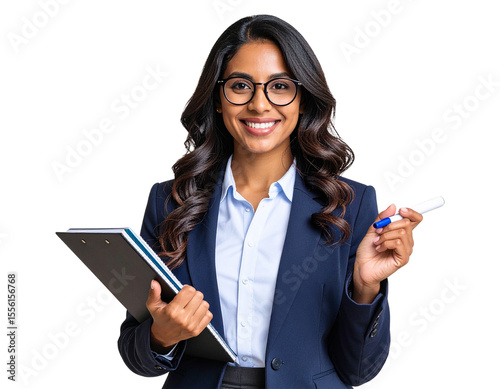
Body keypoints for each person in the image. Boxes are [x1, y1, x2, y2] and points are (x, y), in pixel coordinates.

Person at [118, 14, 422, 389]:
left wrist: (365, 287)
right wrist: (161, 336)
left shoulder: (350, 204)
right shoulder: (171, 201)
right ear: (217, 98)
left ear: (302, 99)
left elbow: (358, 370)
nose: (260, 105)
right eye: (241, 85)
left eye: (279, 86)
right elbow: (136, 354)